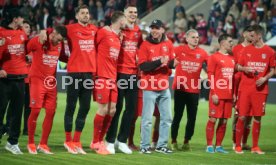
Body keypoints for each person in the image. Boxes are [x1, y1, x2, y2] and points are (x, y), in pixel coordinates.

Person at [105, 4, 142, 155]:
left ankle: (122, 141)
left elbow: (139, 48)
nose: (133, 14)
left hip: (133, 74)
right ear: (124, 14)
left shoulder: (138, 31)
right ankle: (110, 140)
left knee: (131, 109)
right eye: (130, 12)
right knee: (117, 108)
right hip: (119, 73)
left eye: (135, 12)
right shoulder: (117, 29)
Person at [61, 5, 98, 154]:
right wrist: (45, 31)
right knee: (71, 106)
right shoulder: (69, 28)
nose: (85, 15)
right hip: (74, 73)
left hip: (89, 74)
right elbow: (54, 32)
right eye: (82, 13)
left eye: (87, 13)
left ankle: (77, 141)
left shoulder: (95, 30)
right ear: (76, 16)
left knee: (85, 107)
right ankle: (68, 140)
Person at [138, 19, 178, 154]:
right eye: (152, 28)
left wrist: (174, 63)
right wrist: (159, 61)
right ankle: (144, 146)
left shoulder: (168, 43)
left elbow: (171, 62)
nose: (154, 30)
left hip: (164, 86)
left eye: (157, 28)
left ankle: (161, 145)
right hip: (149, 86)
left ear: (162, 30)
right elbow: (143, 66)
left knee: (167, 118)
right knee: (147, 119)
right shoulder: (145, 45)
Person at [90, 11, 127, 155]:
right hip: (102, 77)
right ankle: (95, 141)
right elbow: (92, 48)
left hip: (113, 78)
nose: (126, 22)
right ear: (120, 20)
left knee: (112, 110)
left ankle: (101, 140)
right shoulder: (104, 32)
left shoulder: (118, 37)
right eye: (125, 19)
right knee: (103, 109)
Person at [27, 26, 67, 154]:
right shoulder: (39, 40)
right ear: (53, 34)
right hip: (37, 80)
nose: (57, 43)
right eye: (57, 40)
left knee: (51, 112)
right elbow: (25, 50)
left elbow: (63, 58)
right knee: (36, 110)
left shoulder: (60, 45)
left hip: (50, 82)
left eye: (60, 41)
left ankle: (43, 144)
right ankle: (31, 143)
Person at [235, 25, 275, 154]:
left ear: (259, 35)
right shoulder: (246, 50)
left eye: (253, 36)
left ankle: (255, 147)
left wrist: (265, 78)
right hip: (245, 89)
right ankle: (238, 146)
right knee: (242, 117)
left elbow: (273, 69)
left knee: (257, 118)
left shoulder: (270, 52)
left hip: (260, 90)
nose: (251, 38)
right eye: (250, 36)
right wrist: (244, 69)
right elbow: (238, 66)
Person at [171, 29, 208, 151]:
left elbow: (212, 65)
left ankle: (187, 141)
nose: (196, 39)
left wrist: (209, 76)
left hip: (194, 90)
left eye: (197, 37)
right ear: (186, 39)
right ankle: (174, 140)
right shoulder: (179, 50)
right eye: (193, 37)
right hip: (180, 89)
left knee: (192, 118)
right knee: (178, 116)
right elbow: (168, 60)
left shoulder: (202, 53)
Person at [0, 9, 27, 154]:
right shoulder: (2, 33)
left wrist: (27, 57)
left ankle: (13, 142)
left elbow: (23, 51)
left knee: (17, 113)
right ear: (15, 19)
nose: (23, 20)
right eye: (21, 17)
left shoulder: (22, 33)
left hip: (20, 78)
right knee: (1, 111)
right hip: (5, 80)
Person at [205, 34, 235, 154]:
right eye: (230, 41)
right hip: (217, 94)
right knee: (213, 119)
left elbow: (233, 77)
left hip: (228, 95)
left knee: (224, 121)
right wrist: (213, 93)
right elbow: (210, 75)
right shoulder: (214, 57)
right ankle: (209, 145)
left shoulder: (233, 58)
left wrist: (233, 93)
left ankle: (219, 146)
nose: (231, 44)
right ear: (222, 43)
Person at [231, 26, 253, 150]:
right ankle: (235, 142)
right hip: (238, 85)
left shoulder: (255, 49)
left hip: (251, 86)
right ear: (244, 34)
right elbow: (232, 67)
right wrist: (233, 91)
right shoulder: (237, 49)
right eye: (250, 33)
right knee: (238, 115)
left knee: (249, 116)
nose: (252, 36)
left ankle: (244, 142)